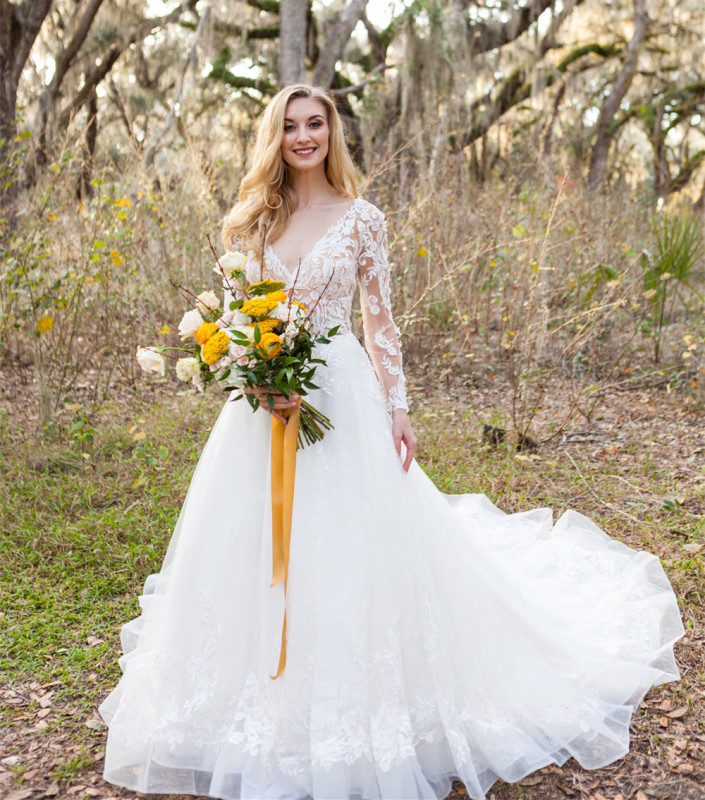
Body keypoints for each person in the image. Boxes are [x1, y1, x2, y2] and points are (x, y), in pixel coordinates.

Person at [99, 85, 684, 800]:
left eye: (315, 124)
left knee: (350, 545)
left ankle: (356, 705)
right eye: (290, 126)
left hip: (338, 393)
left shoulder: (362, 220)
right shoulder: (255, 220)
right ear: (274, 137)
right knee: (248, 547)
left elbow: (379, 324)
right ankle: (253, 705)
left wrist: (397, 410)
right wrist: (252, 374)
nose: (303, 136)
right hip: (262, 406)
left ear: (331, 132)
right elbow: (233, 315)